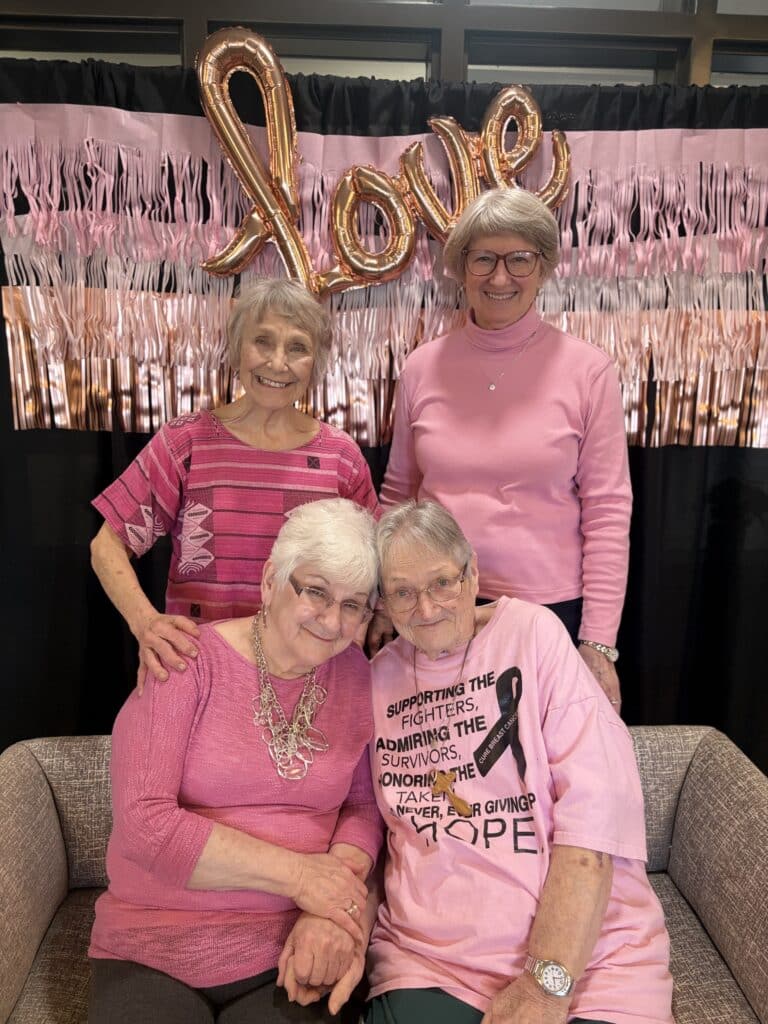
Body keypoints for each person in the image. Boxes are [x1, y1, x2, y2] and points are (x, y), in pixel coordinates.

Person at [281, 500, 669, 1023]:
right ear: (383, 606)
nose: (426, 608)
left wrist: (544, 984)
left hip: (588, 963)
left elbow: (595, 816)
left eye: (442, 582)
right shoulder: (375, 678)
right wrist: (346, 923)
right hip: (432, 963)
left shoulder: (533, 636)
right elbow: (369, 825)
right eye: (402, 592)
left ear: (473, 573)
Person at [87, 498, 383, 1024]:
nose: (334, 621)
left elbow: (363, 807)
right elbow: (145, 825)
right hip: (154, 945)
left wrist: (334, 912)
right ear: (272, 580)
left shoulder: (357, 675)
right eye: (315, 592)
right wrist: (301, 877)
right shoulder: (183, 661)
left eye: (354, 605)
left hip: (293, 946)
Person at [377, 188, 631, 708]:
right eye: (484, 259)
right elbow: (398, 494)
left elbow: (607, 511)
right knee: (442, 775)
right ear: (461, 268)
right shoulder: (421, 368)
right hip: (434, 608)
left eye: (519, 259)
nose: (499, 277)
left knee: (534, 774)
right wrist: (382, 600)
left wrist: (598, 642)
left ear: (544, 268)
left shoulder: (589, 371)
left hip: (548, 613)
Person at [91, 278, 380, 689]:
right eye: (263, 341)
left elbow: (376, 570)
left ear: (315, 363)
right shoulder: (186, 443)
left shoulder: (341, 459)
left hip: (311, 684)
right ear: (236, 348)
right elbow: (106, 547)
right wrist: (146, 623)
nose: (278, 363)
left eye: (297, 347)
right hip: (202, 675)